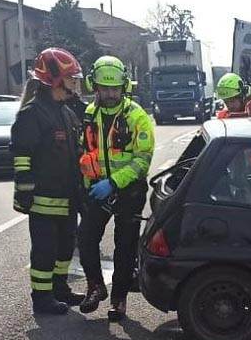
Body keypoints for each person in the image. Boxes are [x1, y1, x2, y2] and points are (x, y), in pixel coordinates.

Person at [77, 55, 155, 321]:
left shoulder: (137, 116)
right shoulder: (89, 114)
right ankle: (95, 286)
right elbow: (86, 152)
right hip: (97, 190)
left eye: (115, 88)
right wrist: (90, 185)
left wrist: (113, 183)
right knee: (86, 237)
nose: (110, 94)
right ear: (94, 86)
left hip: (128, 190)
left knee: (125, 245)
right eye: (104, 88)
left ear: (124, 87)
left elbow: (142, 160)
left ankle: (119, 299)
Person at [10, 48, 84, 315]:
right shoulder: (33, 114)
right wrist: (25, 193)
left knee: (65, 249)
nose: (75, 83)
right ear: (54, 78)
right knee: (45, 252)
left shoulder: (64, 111)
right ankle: (42, 299)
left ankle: (59, 289)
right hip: (42, 200)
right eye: (70, 78)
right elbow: (22, 157)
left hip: (67, 198)